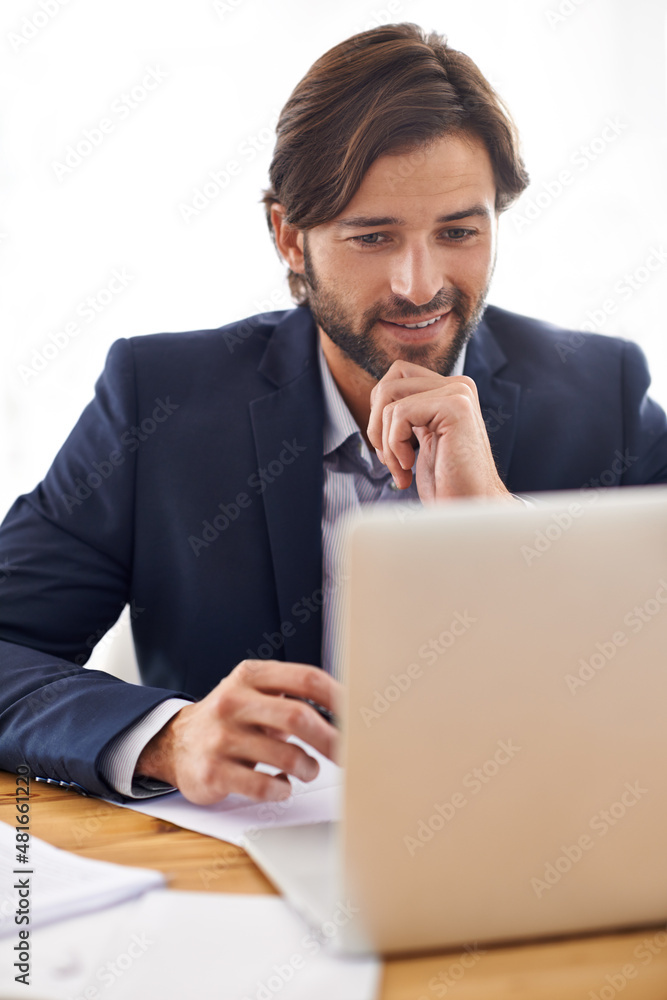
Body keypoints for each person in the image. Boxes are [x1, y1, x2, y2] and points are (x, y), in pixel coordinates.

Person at [1, 23, 666, 807]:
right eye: (372, 237)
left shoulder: (599, 394)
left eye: (458, 231)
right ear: (289, 237)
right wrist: (169, 737)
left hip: (536, 844)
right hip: (248, 859)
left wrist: (502, 535)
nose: (419, 285)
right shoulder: (159, 400)